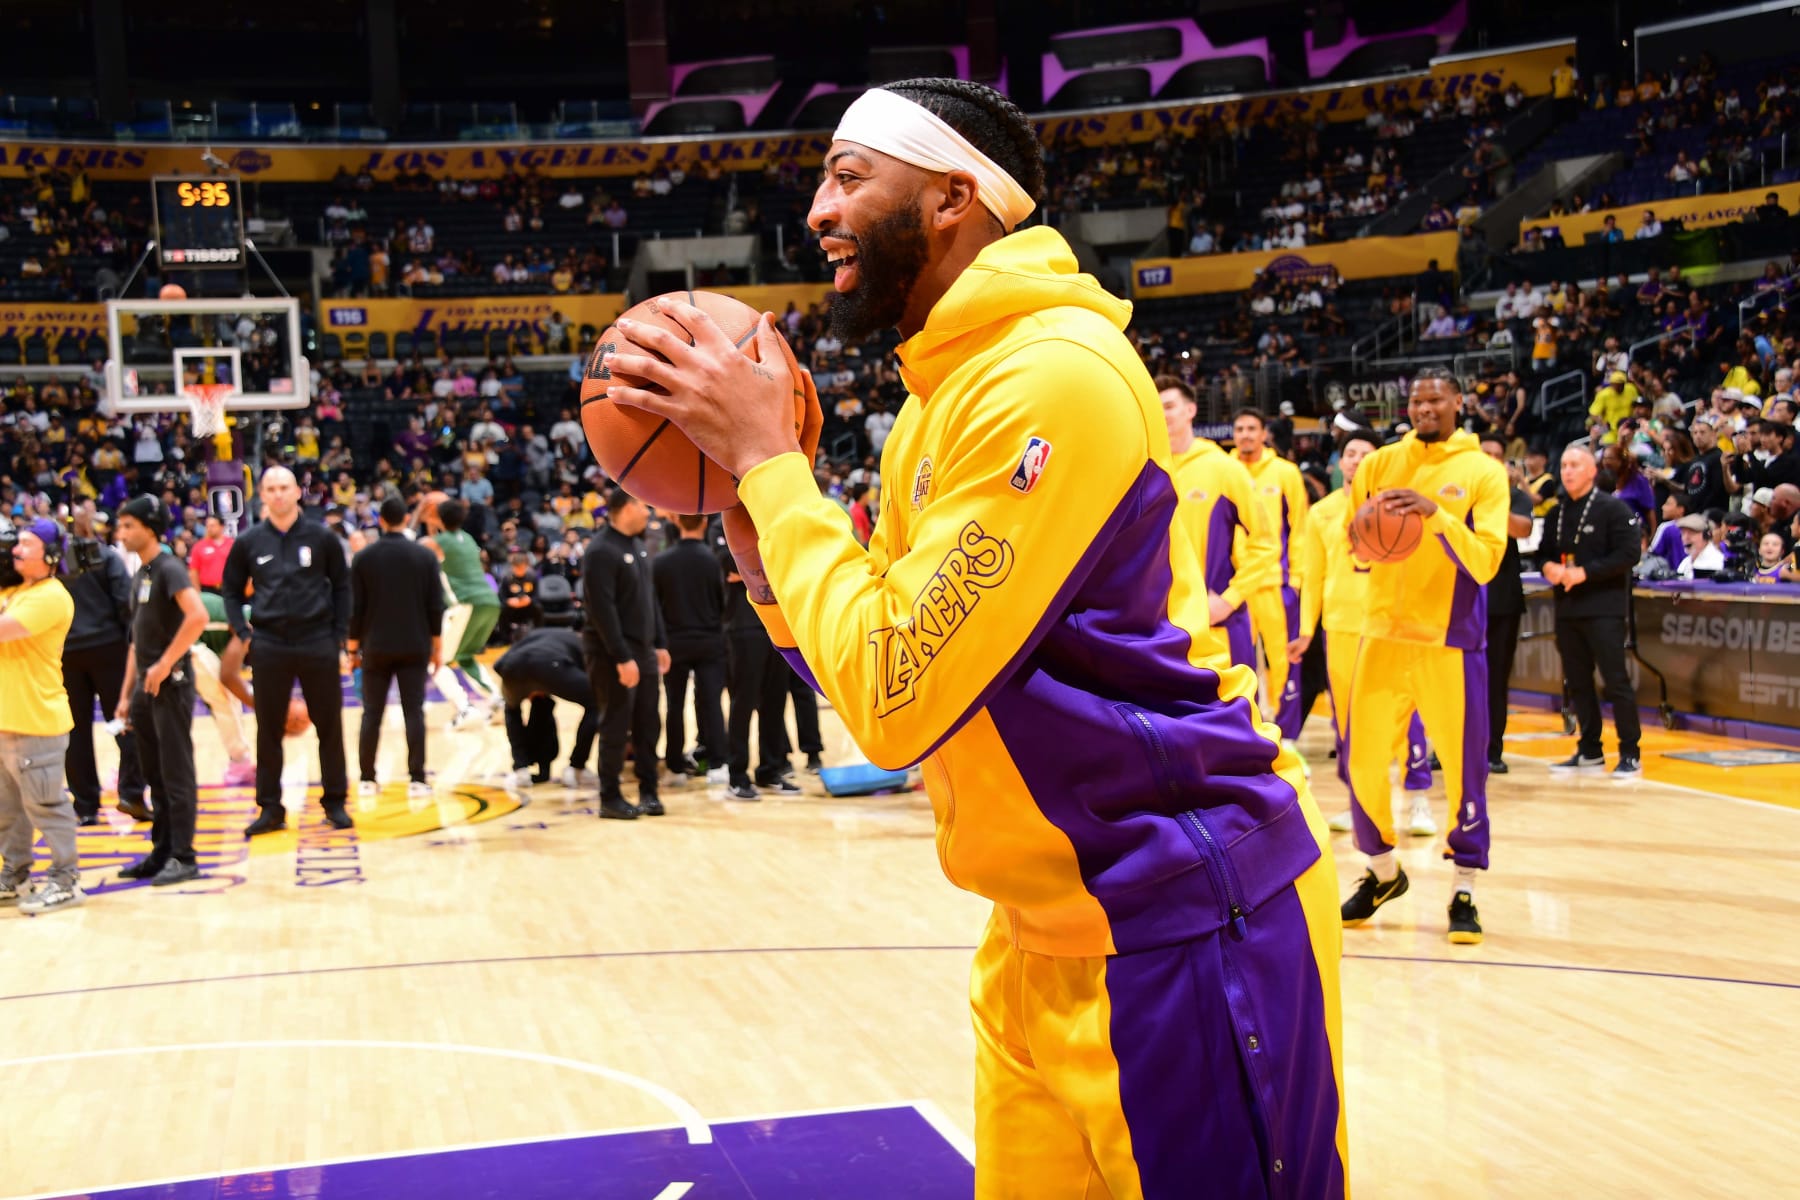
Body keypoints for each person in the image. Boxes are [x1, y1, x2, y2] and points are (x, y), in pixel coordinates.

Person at [603, 78, 1346, 1194]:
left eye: (849, 176)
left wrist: (771, 465)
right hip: (1040, 926)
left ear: (952, 197)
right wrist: (765, 557)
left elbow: (898, 699)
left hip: (1182, 916)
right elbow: (885, 674)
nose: (818, 208)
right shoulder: (932, 408)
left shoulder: (1055, 375)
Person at [1337, 370, 1508, 944]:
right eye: (1416, 399)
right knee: (1360, 760)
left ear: (1459, 402)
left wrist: (1435, 515)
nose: (1424, 407)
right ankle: (1383, 871)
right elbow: (1357, 545)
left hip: (1450, 640)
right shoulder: (1380, 464)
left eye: (1436, 398)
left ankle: (1464, 888)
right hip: (1382, 634)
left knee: (1463, 771)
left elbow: (1485, 562)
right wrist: (1369, 536)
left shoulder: (1483, 471)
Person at [1291, 425, 1435, 834]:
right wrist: (1305, 629)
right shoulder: (1322, 512)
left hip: (1390, 624)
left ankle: (1418, 800)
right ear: (1340, 462)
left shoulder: (1398, 507)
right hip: (1341, 626)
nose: (1356, 461)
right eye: (1350, 453)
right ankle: (1359, 802)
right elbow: (1313, 576)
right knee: (1348, 722)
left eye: (1365, 453)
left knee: (1405, 712)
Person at [221, 466, 353, 837]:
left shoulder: (321, 537)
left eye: (284, 487)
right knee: (268, 730)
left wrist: (339, 636)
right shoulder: (249, 541)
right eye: (271, 488)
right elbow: (230, 590)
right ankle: (270, 808)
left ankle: (335, 802)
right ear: (262, 495)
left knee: (329, 725)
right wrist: (243, 631)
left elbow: (343, 586)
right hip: (270, 643)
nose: (278, 494)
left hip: (317, 639)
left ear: (297, 492)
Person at [112, 495, 210, 886]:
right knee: (154, 773)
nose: (121, 533)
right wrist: (125, 694)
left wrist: (167, 662)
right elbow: (136, 641)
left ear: (150, 528)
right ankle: (163, 850)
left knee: (176, 772)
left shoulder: (170, 568)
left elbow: (198, 616)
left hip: (172, 685)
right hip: (144, 688)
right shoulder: (143, 572)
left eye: (128, 526)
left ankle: (184, 856)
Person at [1158, 376, 1277, 671]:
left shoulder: (1224, 468)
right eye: (1157, 407)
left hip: (1216, 624)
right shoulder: (1150, 468)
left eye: (1169, 406)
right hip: (1162, 623)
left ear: (1190, 410)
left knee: (1233, 702)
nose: (1162, 414)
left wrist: (1229, 600)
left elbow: (1266, 542)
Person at [1538, 446, 1643, 773]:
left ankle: (1630, 752)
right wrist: (1548, 568)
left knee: (1615, 680)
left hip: (1604, 608)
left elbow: (1629, 554)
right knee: (1577, 681)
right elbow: (1543, 553)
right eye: (1564, 465)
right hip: (1567, 608)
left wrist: (1586, 572)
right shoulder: (1556, 513)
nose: (1567, 471)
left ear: (1591, 471)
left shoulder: (1613, 508)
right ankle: (1590, 749)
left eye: (1575, 465)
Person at [0, 518, 84, 914]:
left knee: (46, 806)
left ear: (50, 555)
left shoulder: (51, 596)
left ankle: (66, 881)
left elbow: (5, 629)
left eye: (26, 544)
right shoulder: (16, 590)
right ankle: (14, 875)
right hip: (7, 719)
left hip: (37, 721)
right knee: (7, 810)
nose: (15, 550)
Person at [581, 487, 670, 820]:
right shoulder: (600, 550)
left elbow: (650, 599)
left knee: (649, 723)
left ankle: (649, 791)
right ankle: (610, 797)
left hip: (643, 650)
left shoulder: (638, 546)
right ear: (625, 507)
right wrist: (621, 657)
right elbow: (601, 610)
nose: (648, 512)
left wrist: (660, 642)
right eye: (643, 505)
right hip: (612, 653)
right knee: (616, 724)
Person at [348, 495, 444, 801]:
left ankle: (367, 779)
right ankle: (417, 779)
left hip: (375, 646)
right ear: (405, 519)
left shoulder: (363, 558)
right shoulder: (425, 556)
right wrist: (437, 646)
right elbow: (435, 606)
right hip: (415, 644)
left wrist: (351, 649)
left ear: (381, 521)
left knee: (371, 713)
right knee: (413, 711)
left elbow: (356, 609)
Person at [60, 508, 150, 824]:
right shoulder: (106, 556)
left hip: (67, 653)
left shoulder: (54, 564)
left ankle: (85, 806)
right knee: (125, 721)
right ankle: (131, 793)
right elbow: (126, 603)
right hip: (109, 650)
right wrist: (130, 645)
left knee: (76, 732)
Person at [1233, 406, 1311, 749]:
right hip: (1234, 588)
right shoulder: (1226, 470)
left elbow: (1300, 527)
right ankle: (1242, 732)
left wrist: (1297, 578)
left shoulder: (1285, 472)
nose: (1246, 435)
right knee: (1238, 662)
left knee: (1284, 662)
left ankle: (1287, 738)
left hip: (1276, 583)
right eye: (1240, 429)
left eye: (1252, 428)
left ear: (1264, 434)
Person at [714, 515, 800, 800]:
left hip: (777, 623)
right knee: (744, 701)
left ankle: (770, 769)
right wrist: (765, 568)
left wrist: (752, 570)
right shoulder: (721, 524)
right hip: (743, 626)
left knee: (775, 699)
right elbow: (728, 567)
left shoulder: (771, 518)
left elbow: (788, 565)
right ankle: (737, 775)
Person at [653, 514, 729, 783]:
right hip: (709, 640)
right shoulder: (713, 560)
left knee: (674, 705)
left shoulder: (661, 562)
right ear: (704, 523)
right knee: (712, 703)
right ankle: (719, 765)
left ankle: (675, 767)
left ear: (677, 522)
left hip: (673, 643)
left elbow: (655, 606)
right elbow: (722, 602)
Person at [1478, 434, 1537, 773]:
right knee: (1452, 680)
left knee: (1495, 679)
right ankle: (1447, 748)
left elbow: (1522, 529)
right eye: (1484, 453)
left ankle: (1492, 750)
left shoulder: (1513, 496)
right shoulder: (1455, 492)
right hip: (1459, 598)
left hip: (1501, 600)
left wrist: (1492, 500)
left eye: (1496, 456)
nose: (1490, 460)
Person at [419, 497, 503, 730]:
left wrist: (422, 516)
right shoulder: (467, 538)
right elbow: (441, 547)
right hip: (489, 602)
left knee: (435, 660)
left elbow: (422, 549)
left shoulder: (438, 542)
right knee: (465, 656)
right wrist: (434, 523)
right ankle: (497, 700)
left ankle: (464, 709)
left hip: (465, 604)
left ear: (440, 518)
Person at [492, 626, 599, 790]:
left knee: (511, 709)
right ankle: (576, 768)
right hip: (552, 664)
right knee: (596, 703)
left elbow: (498, 665)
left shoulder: (533, 637)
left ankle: (521, 770)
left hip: (512, 668)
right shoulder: (583, 643)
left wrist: (524, 688)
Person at [188, 513, 233, 594]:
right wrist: (197, 591)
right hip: (207, 589)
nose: (209, 528)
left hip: (229, 587)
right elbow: (194, 571)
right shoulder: (199, 546)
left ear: (221, 526)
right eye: (207, 526)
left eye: (212, 526)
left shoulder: (232, 544)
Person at [1674, 513, 1724, 578]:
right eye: (1683, 533)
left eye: (1691, 533)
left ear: (1707, 535)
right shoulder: (1686, 562)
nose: (1685, 538)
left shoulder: (1717, 562)